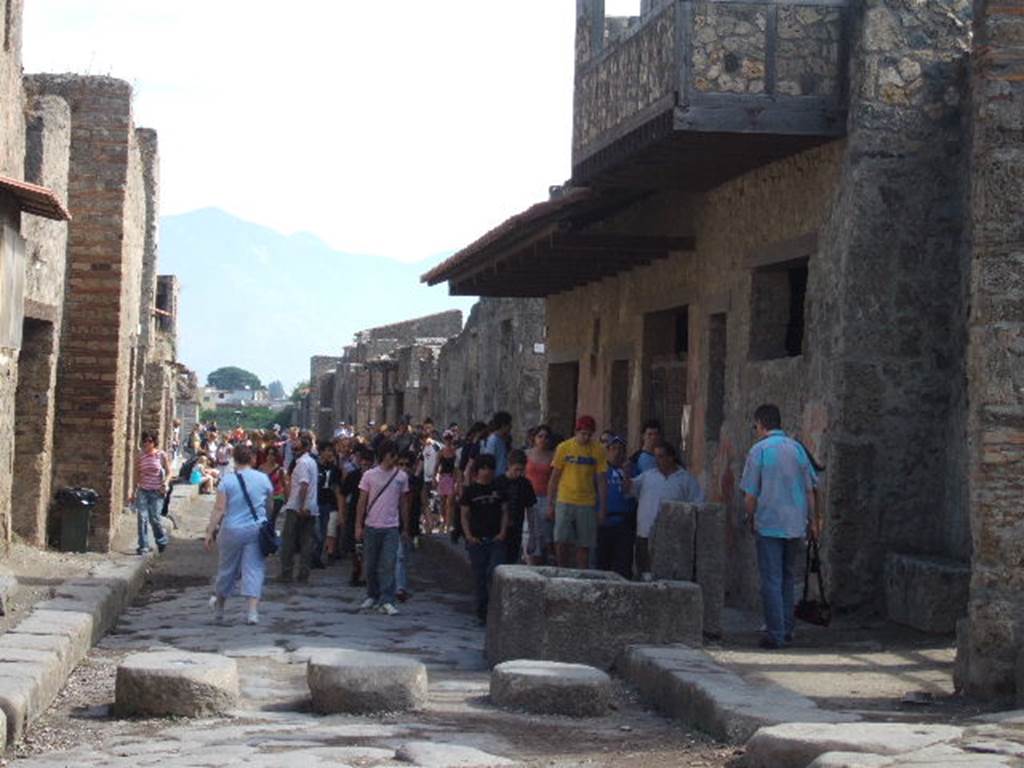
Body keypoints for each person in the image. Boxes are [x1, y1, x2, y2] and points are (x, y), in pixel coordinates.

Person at [741, 404, 818, 649]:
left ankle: (775, 633)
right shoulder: (797, 449)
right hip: (795, 523)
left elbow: (751, 494)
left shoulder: (759, 450)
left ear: (761, 424)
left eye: (755, 426)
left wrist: (749, 516)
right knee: (787, 578)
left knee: (771, 580)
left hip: (770, 522)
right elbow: (811, 489)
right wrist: (815, 521)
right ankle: (787, 629)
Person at [204, 444, 273, 625]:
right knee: (254, 569)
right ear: (253, 459)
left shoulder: (227, 480)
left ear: (234, 459)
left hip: (231, 529)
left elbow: (219, 509)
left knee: (227, 569)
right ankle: (252, 613)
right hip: (255, 529)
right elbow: (270, 505)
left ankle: (219, 610)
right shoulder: (263, 479)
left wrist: (209, 531)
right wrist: (265, 520)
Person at [631, 442, 704, 579]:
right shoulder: (647, 476)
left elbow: (698, 504)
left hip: (673, 536)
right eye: (655, 457)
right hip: (645, 533)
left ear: (671, 458)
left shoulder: (686, 479)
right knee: (644, 574)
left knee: (668, 575)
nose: (657, 460)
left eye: (661, 456)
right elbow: (629, 489)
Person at [355, 441, 411, 616]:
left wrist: (405, 526)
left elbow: (403, 503)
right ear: (384, 455)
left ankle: (387, 599)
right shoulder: (369, 475)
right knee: (370, 564)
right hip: (372, 525)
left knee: (388, 563)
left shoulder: (401, 477)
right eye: (391, 454)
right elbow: (362, 501)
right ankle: (372, 594)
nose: (394, 458)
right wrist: (358, 525)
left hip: (391, 526)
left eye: (396, 455)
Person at [547, 415, 608, 569]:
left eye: (589, 434)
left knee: (584, 542)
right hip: (565, 498)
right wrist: (550, 504)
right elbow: (554, 477)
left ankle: (582, 572)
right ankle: (562, 569)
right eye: (583, 433)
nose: (586, 437)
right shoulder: (564, 447)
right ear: (576, 431)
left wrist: (602, 508)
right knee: (561, 539)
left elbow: (601, 480)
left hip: (587, 501)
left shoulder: (598, 450)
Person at [460, 454, 508, 625]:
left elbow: (504, 512)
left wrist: (502, 533)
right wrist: (469, 536)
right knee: (479, 576)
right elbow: (464, 515)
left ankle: (494, 609)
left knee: (493, 572)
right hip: (477, 540)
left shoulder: (499, 489)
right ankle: (482, 612)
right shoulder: (470, 491)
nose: (487, 472)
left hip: (495, 539)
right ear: (477, 471)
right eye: (483, 468)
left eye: (490, 468)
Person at [279, 433, 319, 583]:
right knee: (306, 541)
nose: (295, 450)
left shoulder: (302, 463)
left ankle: (287, 572)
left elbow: (304, 485)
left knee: (289, 540)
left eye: (297, 447)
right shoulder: (312, 462)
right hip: (310, 506)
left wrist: (301, 505)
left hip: (298, 507)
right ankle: (304, 573)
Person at [597, 435, 635, 579]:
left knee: (623, 566)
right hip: (604, 521)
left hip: (624, 523)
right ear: (607, 450)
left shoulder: (632, 469)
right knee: (602, 564)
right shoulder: (601, 469)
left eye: (620, 449)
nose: (617, 452)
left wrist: (627, 473)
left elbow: (630, 492)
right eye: (613, 448)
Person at [131, 431, 171, 555]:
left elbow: (169, 472)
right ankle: (143, 546)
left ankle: (161, 541)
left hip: (157, 491)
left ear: (154, 442)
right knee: (142, 518)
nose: (147, 443)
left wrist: (166, 483)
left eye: (150, 441)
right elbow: (136, 474)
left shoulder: (161, 455)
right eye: (145, 441)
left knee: (155, 519)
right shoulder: (140, 456)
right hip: (143, 490)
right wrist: (133, 491)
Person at [495, 449, 536, 566]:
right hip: (498, 528)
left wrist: (532, 534)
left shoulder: (525, 484)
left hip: (516, 528)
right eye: (516, 469)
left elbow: (530, 509)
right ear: (509, 466)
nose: (519, 473)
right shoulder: (498, 482)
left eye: (521, 470)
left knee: (512, 560)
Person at [525, 425, 555, 565]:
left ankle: (544, 560)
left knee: (545, 533)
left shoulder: (553, 456)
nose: (543, 439)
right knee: (531, 531)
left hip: (546, 498)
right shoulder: (527, 455)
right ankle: (530, 561)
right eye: (540, 436)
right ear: (534, 438)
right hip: (529, 498)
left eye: (546, 437)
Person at [312, 442, 342, 569]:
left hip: (327, 503)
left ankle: (316, 557)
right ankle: (312, 555)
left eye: (331, 451)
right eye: (327, 450)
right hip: (314, 502)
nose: (329, 453)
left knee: (323, 532)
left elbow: (337, 489)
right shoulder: (314, 466)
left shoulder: (335, 469)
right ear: (321, 452)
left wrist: (340, 509)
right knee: (316, 531)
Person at [435, 431, 458, 533]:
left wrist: (457, 479)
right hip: (443, 478)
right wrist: (434, 478)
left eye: (450, 438)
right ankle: (443, 521)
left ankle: (448, 525)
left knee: (450, 503)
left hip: (452, 478)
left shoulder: (455, 452)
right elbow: (436, 466)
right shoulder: (441, 452)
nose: (448, 440)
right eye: (446, 438)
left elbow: (457, 467)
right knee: (443, 503)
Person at [260, 445, 287, 529]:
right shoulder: (261, 468)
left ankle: (271, 537)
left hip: (277, 496)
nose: (270, 456)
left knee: (272, 519)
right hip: (264, 497)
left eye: (273, 454)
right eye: (269, 454)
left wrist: (287, 498)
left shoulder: (280, 469)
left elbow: (284, 484)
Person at [482, 411, 513, 477]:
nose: (511, 426)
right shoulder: (493, 440)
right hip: (496, 478)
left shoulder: (504, 440)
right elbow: (489, 462)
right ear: (503, 425)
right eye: (509, 424)